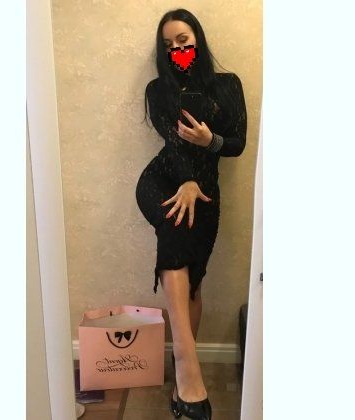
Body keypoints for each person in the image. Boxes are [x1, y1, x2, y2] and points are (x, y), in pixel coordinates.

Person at [135, 8, 247, 420]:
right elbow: (172, 141)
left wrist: (209, 139)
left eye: (183, 40)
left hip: (206, 191)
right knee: (174, 229)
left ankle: (185, 369)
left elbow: (237, 143)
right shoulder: (157, 90)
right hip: (163, 180)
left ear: (197, 38)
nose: (177, 49)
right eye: (168, 45)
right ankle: (187, 366)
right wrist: (185, 181)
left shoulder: (227, 85)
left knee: (192, 281)